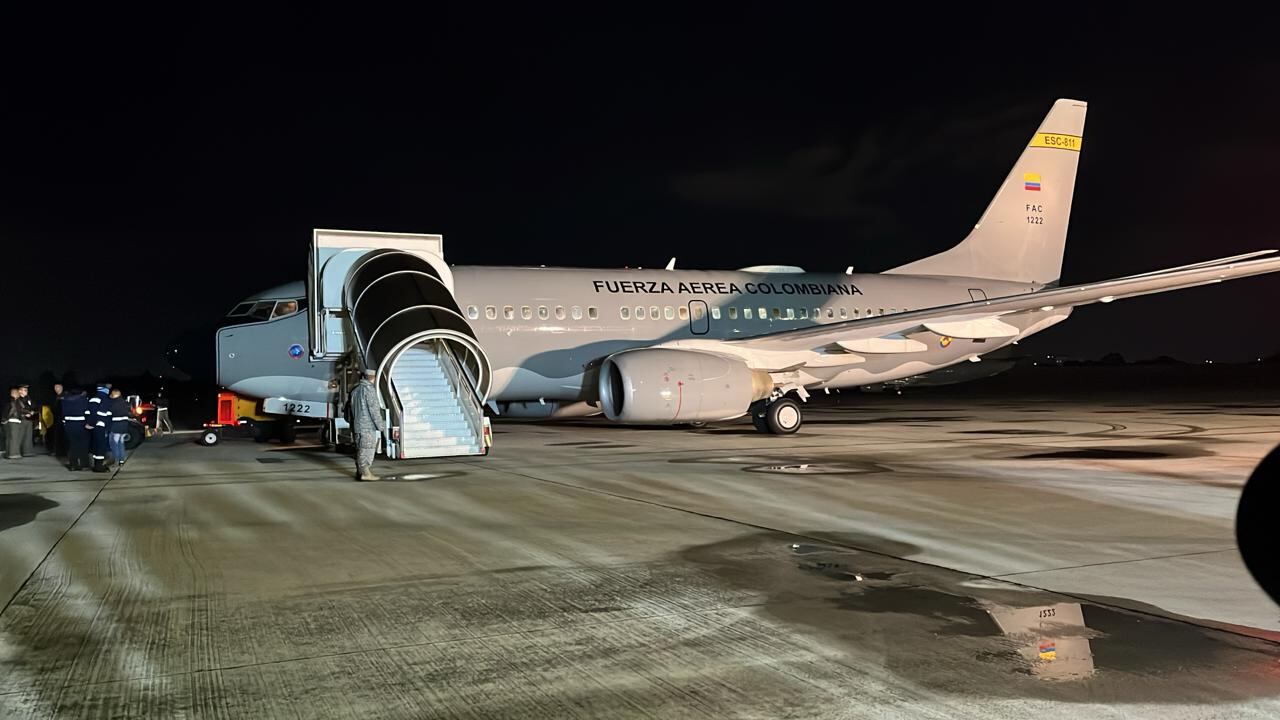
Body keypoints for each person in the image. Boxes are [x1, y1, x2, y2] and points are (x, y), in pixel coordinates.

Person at [348, 368, 385, 481]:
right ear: (373, 378)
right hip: (367, 426)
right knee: (367, 449)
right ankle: (365, 473)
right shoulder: (369, 390)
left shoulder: (355, 391)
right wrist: (381, 425)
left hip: (357, 425)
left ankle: (360, 472)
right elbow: (374, 410)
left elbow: (349, 410)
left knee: (360, 448)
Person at [61, 387, 91, 471]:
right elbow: (87, 412)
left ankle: (74, 464)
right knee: (83, 444)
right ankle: (84, 463)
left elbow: (63, 414)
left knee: (73, 445)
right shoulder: (83, 400)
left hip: (69, 424)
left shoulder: (64, 401)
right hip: (81, 424)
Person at [88, 384, 113, 472]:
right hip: (101, 426)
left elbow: (90, 413)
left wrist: (90, 423)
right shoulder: (105, 399)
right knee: (100, 446)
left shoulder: (93, 398)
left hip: (94, 426)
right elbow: (103, 414)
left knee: (96, 445)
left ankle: (96, 464)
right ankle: (98, 466)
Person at [108, 388, 131, 466]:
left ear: (114, 395)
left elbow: (109, 413)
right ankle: (121, 460)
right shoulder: (124, 402)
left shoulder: (113, 403)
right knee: (121, 442)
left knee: (114, 442)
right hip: (125, 424)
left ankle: (116, 460)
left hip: (117, 424)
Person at [48, 382, 66, 457]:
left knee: (61, 436)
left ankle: (62, 452)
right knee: (56, 435)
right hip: (56, 419)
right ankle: (57, 451)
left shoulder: (64, 396)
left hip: (62, 419)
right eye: (55, 388)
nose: (56, 389)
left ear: (61, 387)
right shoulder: (55, 397)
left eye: (57, 387)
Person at [5, 388, 21, 459]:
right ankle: (13, 454)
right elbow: (16, 411)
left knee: (9, 438)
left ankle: (8, 453)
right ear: (14, 393)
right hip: (14, 420)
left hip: (9, 422)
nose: (19, 394)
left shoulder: (8, 401)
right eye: (17, 393)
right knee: (14, 438)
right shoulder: (14, 402)